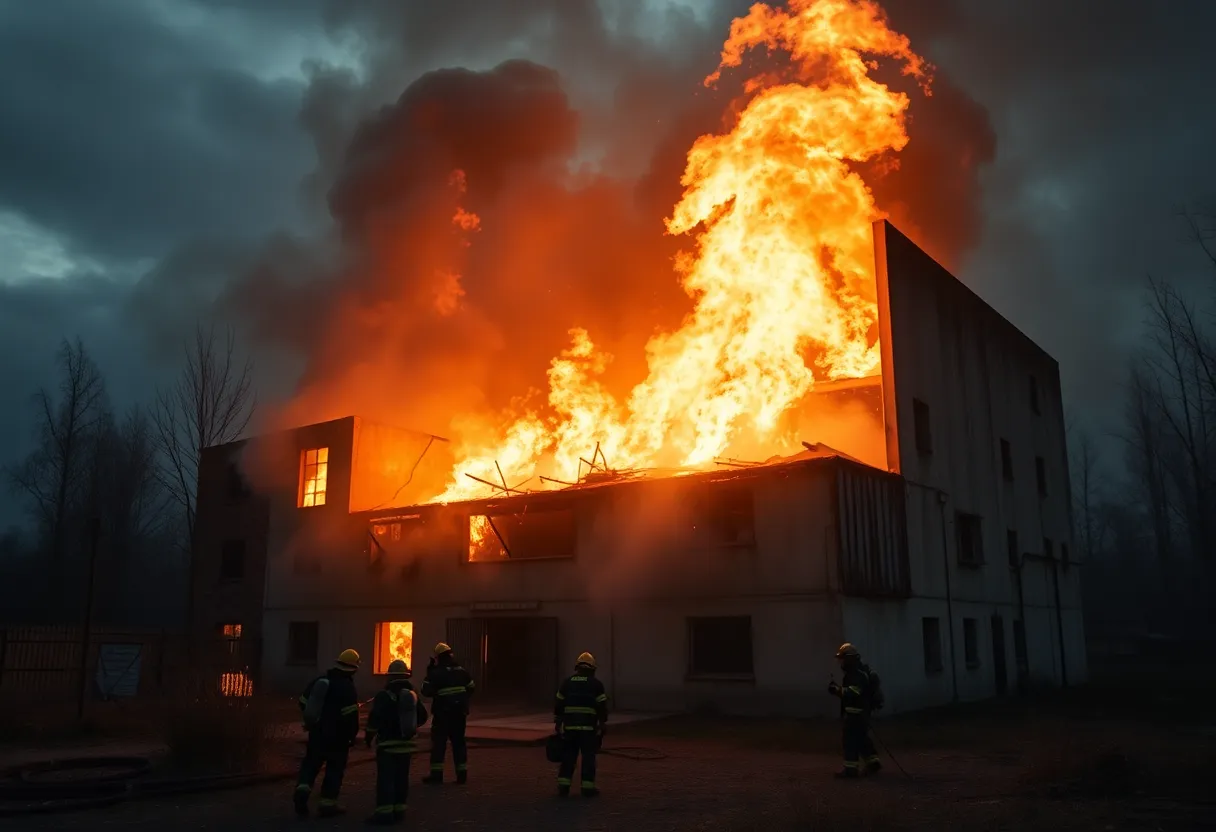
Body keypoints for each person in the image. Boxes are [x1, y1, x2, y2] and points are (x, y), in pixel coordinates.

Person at [294, 648, 362, 816]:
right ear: (353, 668)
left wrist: (313, 721)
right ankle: (327, 804)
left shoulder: (321, 681)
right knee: (334, 769)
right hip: (338, 738)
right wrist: (352, 737)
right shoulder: (347, 688)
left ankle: (302, 790)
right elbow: (351, 717)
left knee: (311, 764)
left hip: (317, 734)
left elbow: (303, 702)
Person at [364, 659, 428, 825]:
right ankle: (399, 811)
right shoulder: (412, 695)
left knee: (386, 779)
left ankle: (384, 813)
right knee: (401, 779)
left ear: (389, 677)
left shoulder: (383, 696)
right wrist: (410, 726)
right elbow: (423, 716)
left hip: (387, 745)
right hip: (406, 745)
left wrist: (368, 737)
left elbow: (374, 720)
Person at [554, 651, 609, 797]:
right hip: (588, 729)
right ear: (592, 668)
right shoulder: (596, 684)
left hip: (570, 727)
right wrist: (602, 724)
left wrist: (558, 722)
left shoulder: (567, 682)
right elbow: (602, 707)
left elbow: (559, 704)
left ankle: (563, 787)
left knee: (568, 756)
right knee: (588, 757)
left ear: (577, 667)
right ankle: (587, 787)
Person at [420, 642, 475, 784]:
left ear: (437, 657)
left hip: (442, 715)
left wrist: (430, 671)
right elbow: (471, 687)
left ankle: (436, 776)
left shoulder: (436, 672)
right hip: (459, 714)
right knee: (459, 743)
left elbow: (425, 691)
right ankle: (461, 775)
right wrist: (461, 699)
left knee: (439, 744)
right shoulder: (461, 670)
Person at [827, 642, 884, 779]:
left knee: (850, 741)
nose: (841, 662)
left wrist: (837, 690)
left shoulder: (856, 674)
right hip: (861, 714)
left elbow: (855, 692)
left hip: (856, 714)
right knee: (861, 739)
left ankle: (850, 770)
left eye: (843, 659)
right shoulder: (858, 672)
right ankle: (873, 763)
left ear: (850, 659)